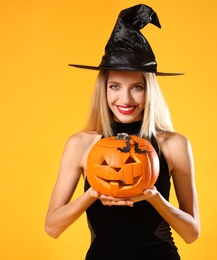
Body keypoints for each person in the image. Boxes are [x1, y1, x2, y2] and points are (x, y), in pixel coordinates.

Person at [45, 4, 200, 260]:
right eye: (115, 86)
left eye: (136, 87)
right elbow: (52, 227)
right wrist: (93, 193)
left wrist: (153, 197)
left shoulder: (174, 145)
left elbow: (192, 233)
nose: (125, 98)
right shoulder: (82, 144)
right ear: (103, 89)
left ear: (149, 91)